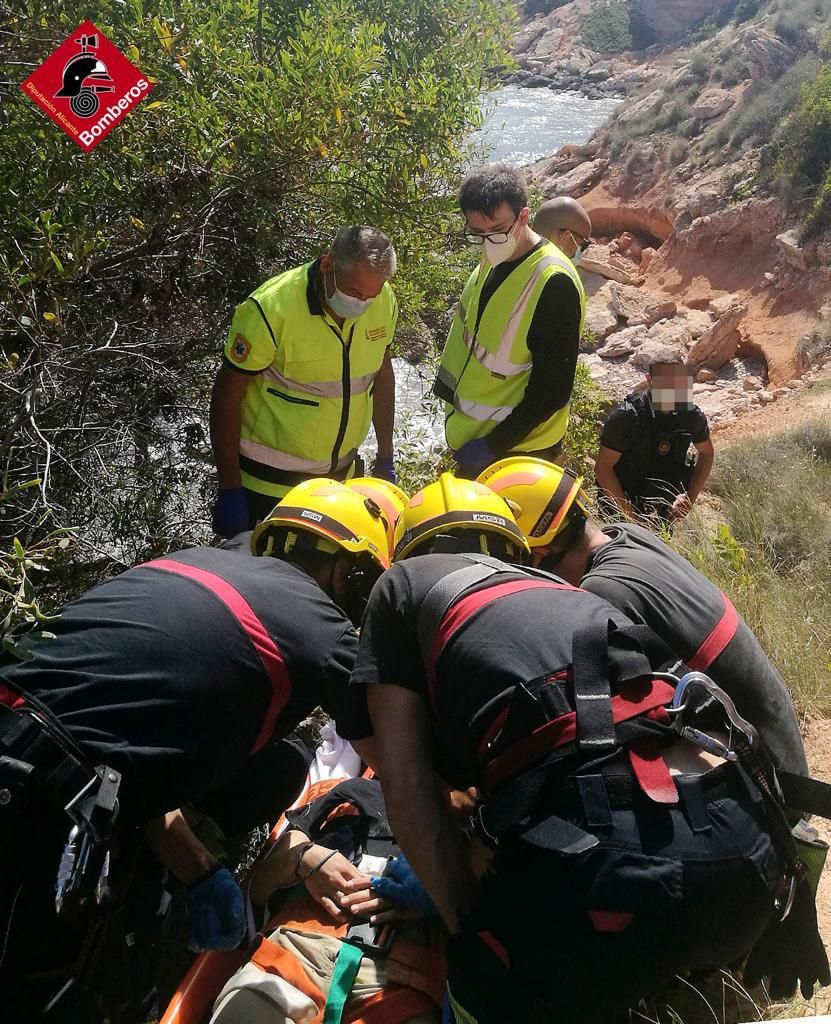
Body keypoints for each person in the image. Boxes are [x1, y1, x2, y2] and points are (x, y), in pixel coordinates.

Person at [349, 473, 826, 1024]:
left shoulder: (401, 587)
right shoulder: (571, 590)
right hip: (751, 864)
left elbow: (408, 792)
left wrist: (472, 931)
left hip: (620, 885)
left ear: (407, 551)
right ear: (518, 547)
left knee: (481, 985)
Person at [0, 479, 389, 1023]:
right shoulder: (322, 630)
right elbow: (405, 774)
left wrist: (200, 871)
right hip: (46, 801)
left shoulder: (185, 565)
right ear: (352, 573)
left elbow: (127, 747)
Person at [477, 457, 808, 780]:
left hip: (766, 778)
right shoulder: (626, 535)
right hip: (776, 743)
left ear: (537, 556)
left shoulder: (602, 592)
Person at [209, 775, 454, 1024]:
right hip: (298, 951)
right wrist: (304, 858)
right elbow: (259, 887)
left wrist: (445, 897)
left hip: (401, 983)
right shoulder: (348, 791)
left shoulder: (479, 834)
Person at [210, 226, 399, 538]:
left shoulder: (383, 301)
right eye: (353, 293)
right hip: (266, 488)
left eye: (371, 296)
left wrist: (386, 456)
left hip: (338, 484)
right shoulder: (271, 309)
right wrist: (230, 487)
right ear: (327, 265)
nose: (361, 304)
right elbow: (227, 396)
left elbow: (382, 376)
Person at [433, 165, 586, 479]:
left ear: (524, 216)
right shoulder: (494, 258)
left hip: (517, 451)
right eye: (478, 233)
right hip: (473, 438)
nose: (489, 240)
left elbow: (553, 391)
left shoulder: (554, 282)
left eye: (498, 230)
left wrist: (492, 446)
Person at [595, 361, 714, 527]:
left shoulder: (690, 416)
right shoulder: (626, 417)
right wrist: (632, 517)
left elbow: (706, 452)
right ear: (649, 379)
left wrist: (689, 498)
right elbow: (603, 469)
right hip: (624, 504)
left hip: (666, 503)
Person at [532, 195, 593, 267]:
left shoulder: (519, 258)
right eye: (584, 245)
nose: (581, 254)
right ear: (565, 238)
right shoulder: (556, 275)